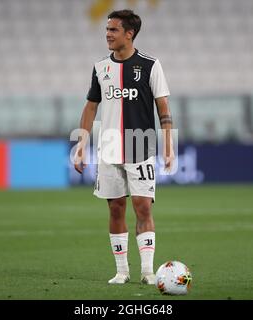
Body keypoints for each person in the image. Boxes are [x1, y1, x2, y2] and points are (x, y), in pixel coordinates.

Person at [74, 9, 174, 285]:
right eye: (107, 29)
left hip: (140, 146)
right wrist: (81, 143)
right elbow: (91, 106)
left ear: (129, 34)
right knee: (116, 208)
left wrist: (169, 144)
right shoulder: (100, 67)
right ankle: (122, 271)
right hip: (108, 149)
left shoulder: (151, 65)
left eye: (113, 30)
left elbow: (163, 107)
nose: (107, 34)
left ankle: (147, 271)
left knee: (143, 207)